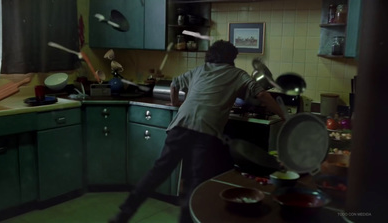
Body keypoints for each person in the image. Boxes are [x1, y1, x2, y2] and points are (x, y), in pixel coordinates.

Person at [108, 40, 285, 223]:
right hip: (205, 131)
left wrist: (176, 103)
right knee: (196, 180)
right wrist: (284, 116)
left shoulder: (200, 70)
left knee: (158, 172)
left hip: (180, 125)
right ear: (231, 58)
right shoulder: (237, 74)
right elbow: (263, 95)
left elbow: (174, 83)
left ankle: (124, 213)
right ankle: (186, 220)